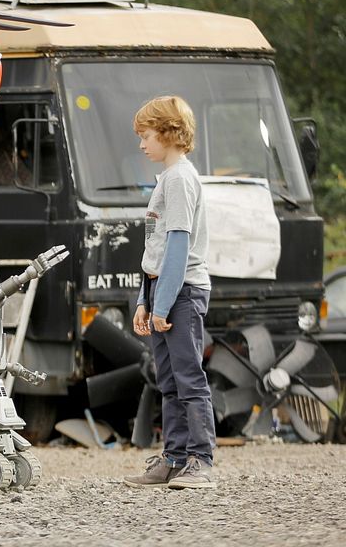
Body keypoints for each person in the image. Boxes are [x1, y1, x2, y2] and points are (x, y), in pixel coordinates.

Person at [123, 96, 216, 490]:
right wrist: (146, 299)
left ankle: (201, 462)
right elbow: (156, 248)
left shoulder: (180, 179)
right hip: (161, 288)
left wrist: (162, 302)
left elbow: (178, 245)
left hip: (181, 291)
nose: (142, 144)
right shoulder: (167, 179)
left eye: (145, 136)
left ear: (167, 132)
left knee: (188, 377)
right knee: (169, 381)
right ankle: (175, 458)